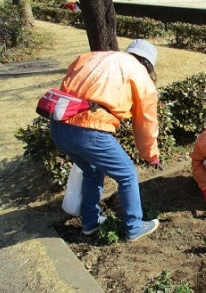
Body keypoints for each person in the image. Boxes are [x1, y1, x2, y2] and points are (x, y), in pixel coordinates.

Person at [50, 39, 161, 242]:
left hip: (58, 126)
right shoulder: (139, 74)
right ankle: (134, 227)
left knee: (92, 171)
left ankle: (90, 223)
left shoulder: (92, 57)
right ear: (148, 64)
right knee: (127, 174)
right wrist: (151, 155)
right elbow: (146, 122)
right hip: (89, 131)